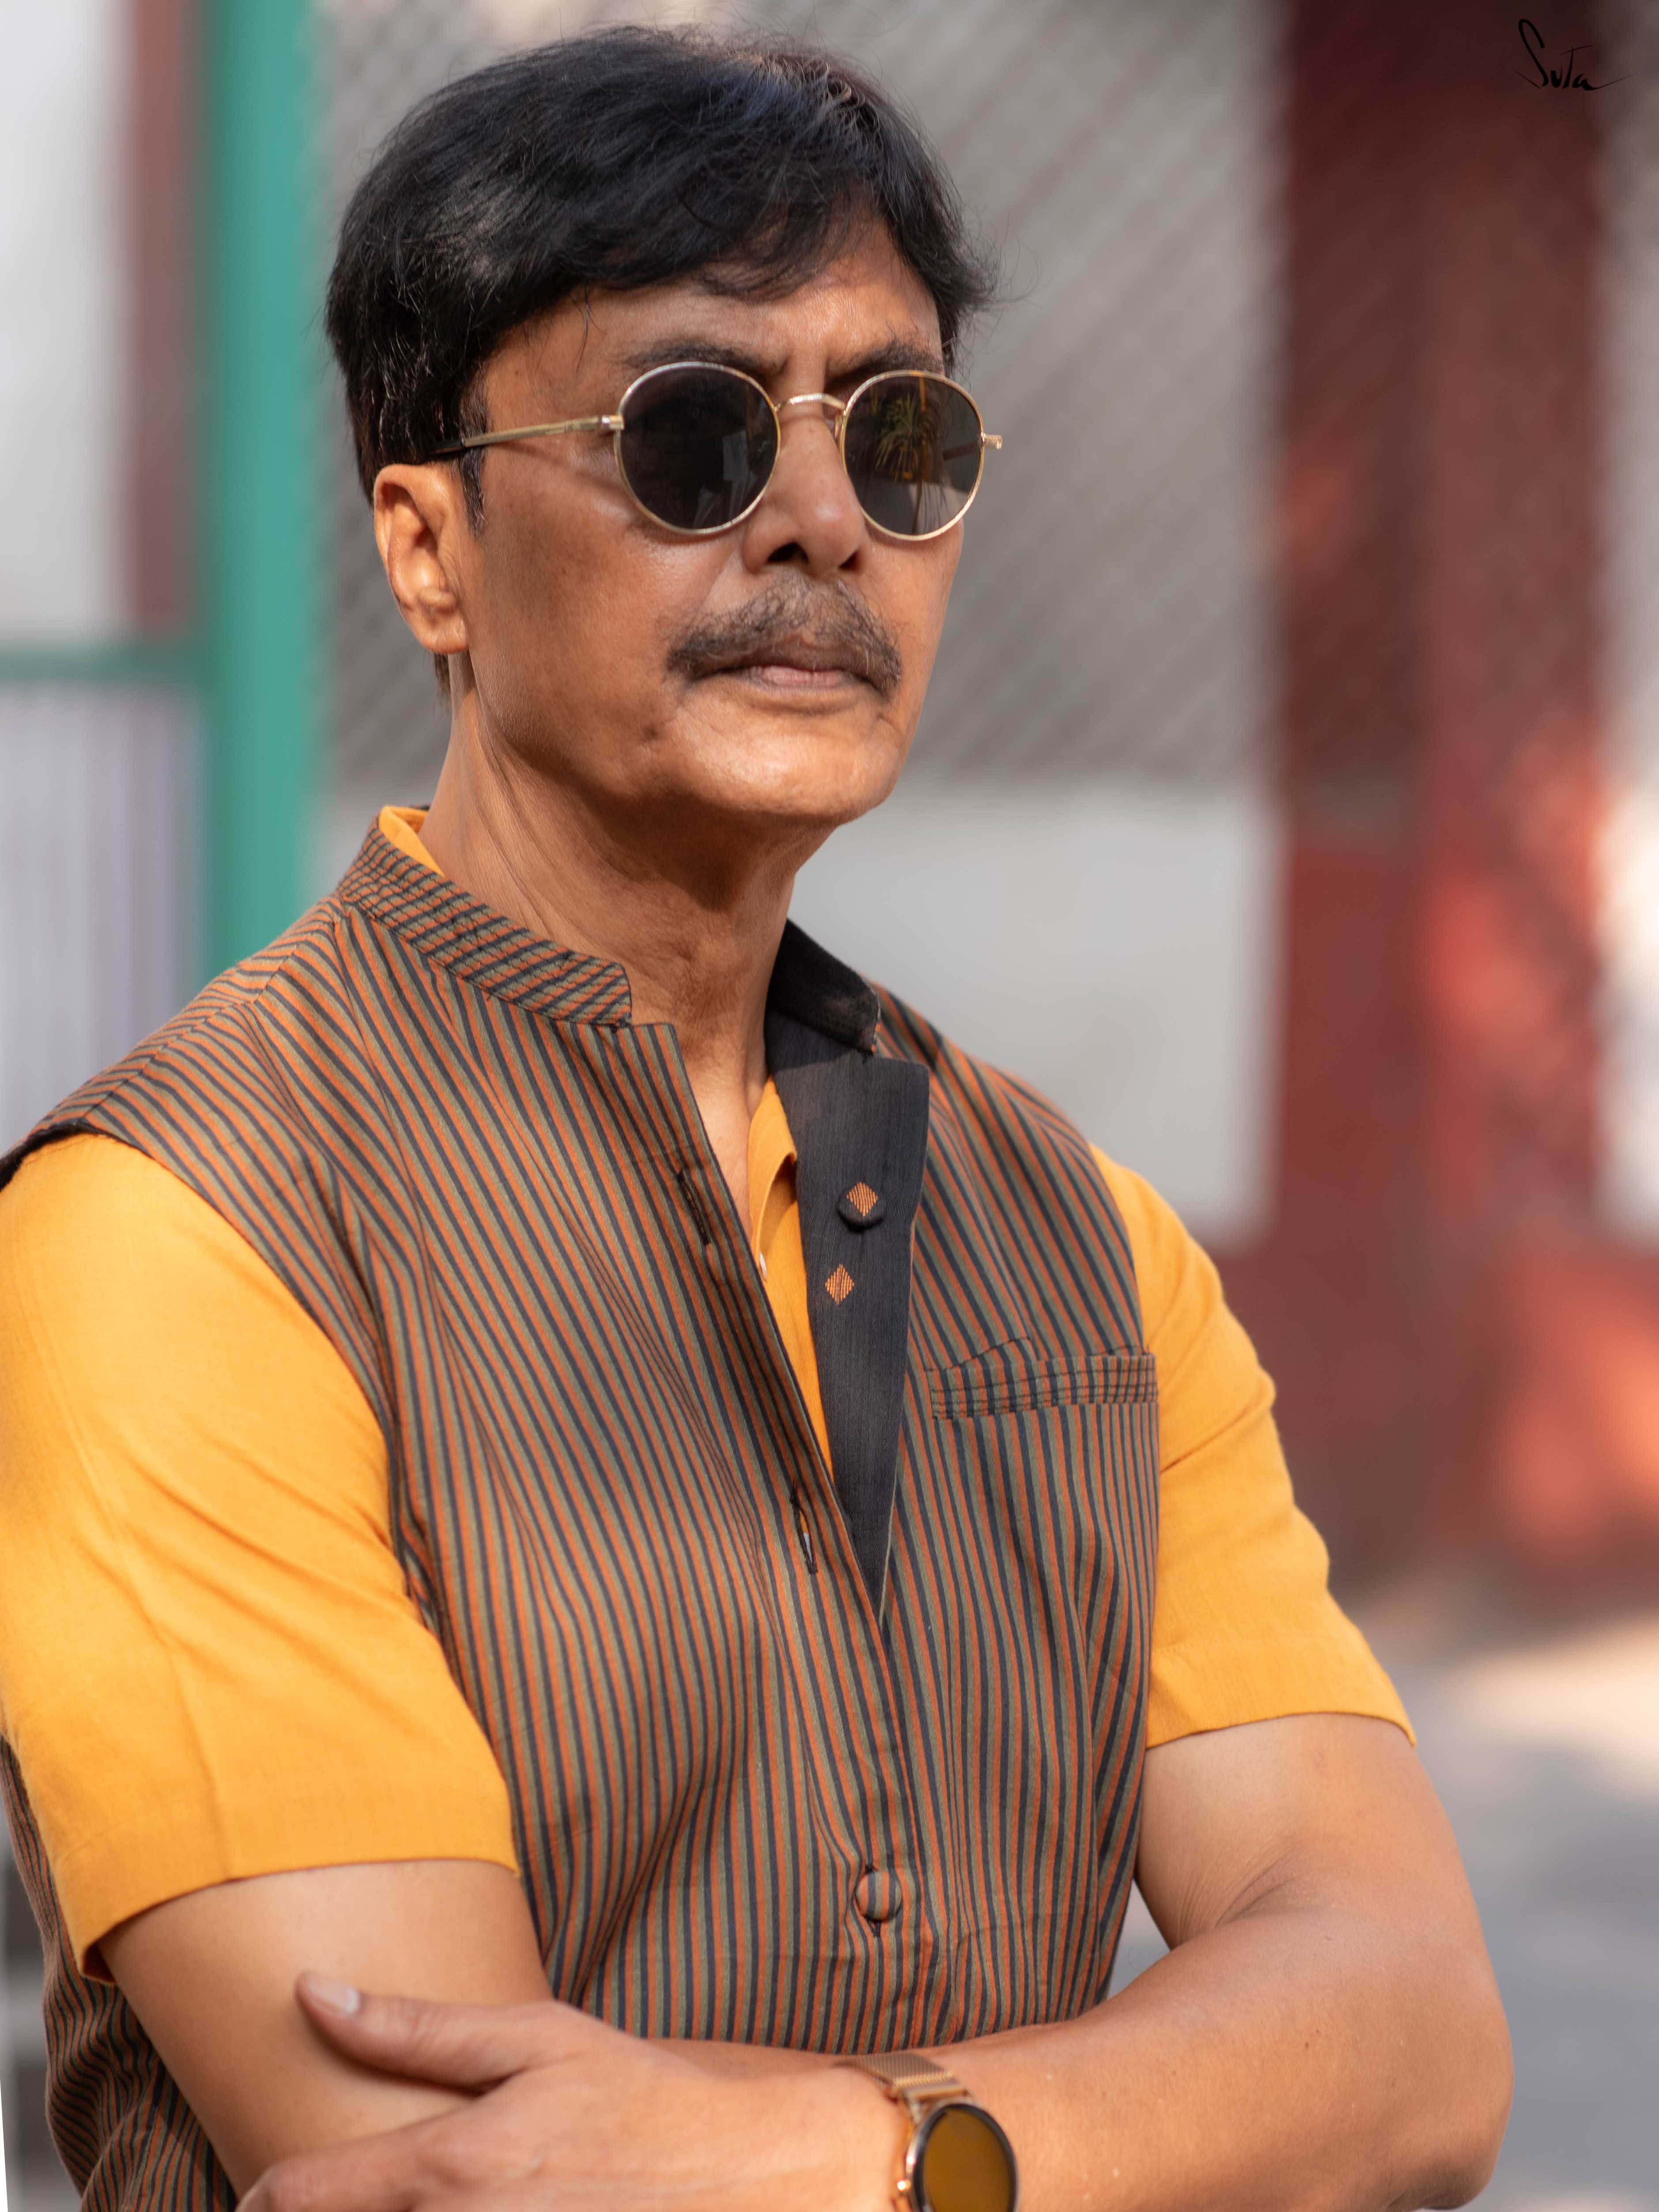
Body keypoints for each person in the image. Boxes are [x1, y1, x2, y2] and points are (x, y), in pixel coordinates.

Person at [0, 28, 1510, 2212]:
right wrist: (1147, 2116)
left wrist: (852, 2148)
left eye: (897, 440)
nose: (820, 520)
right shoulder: (182, 1235)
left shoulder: (1079, 1239)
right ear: (429, 548)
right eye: (692, 435)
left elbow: (1415, 2035)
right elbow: (449, 2175)